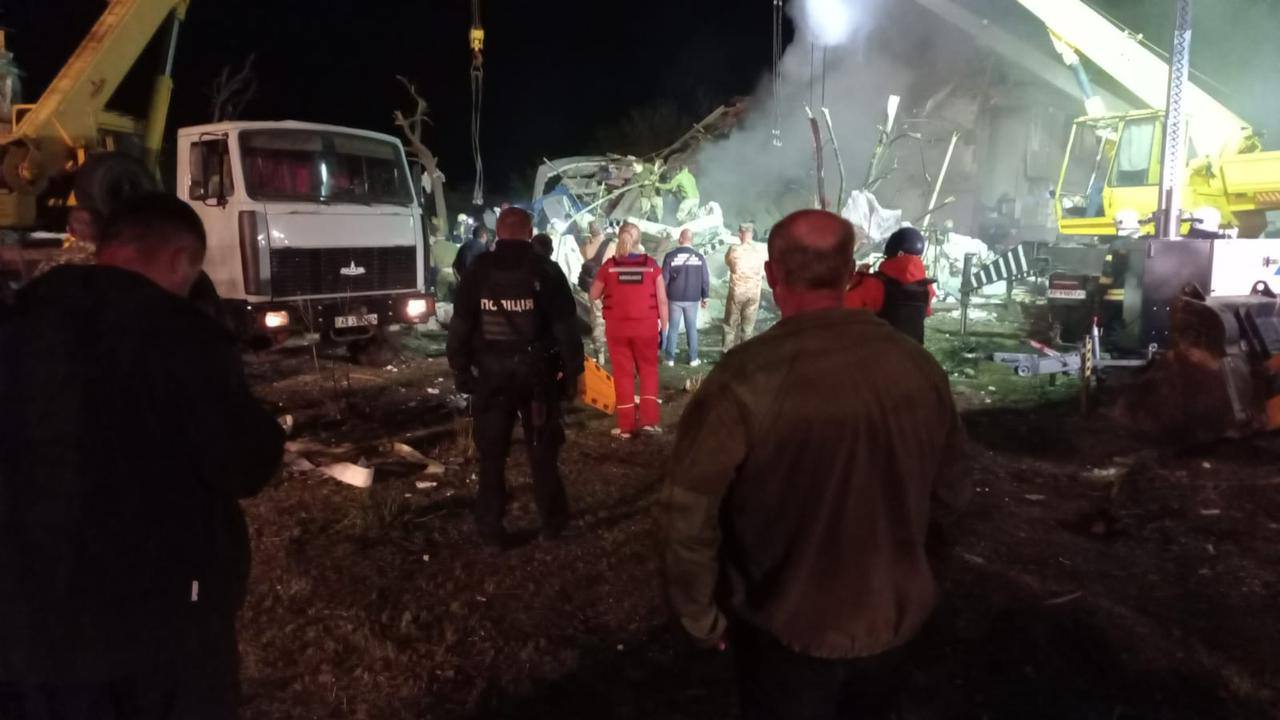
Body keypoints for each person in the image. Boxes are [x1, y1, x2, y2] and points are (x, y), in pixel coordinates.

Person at [659, 209, 968, 720]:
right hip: (892, 623)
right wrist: (923, 580)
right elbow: (952, 494)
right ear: (850, 273)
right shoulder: (918, 367)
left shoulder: (745, 377)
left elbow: (687, 513)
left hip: (785, 629)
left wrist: (699, 618)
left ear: (772, 275)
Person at [0, 193, 286, 719]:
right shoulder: (178, 336)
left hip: (27, 629)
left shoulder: (20, 322)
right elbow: (245, 462)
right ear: (180, 260)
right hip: (154, 626)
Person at [447, 208, 583, 549]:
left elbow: (460, 326)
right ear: (530, 232)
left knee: (492, 457)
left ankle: (491, 531)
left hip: (492, 378)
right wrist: (572, 374)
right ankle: (552, 525)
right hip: (537, 378)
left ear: (498, 231)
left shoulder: (479, 270)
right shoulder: (546, 270)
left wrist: (461, 369)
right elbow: (567, 329)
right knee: (543, 454)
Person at [589, 222, 669, 438]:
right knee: (648, 371)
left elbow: (593, 294)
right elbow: (662, 301)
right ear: (639, 241)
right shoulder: (651, 266)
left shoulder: (609, 267)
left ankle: (626, 427)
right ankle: (648, 422)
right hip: (646, 328)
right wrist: (665, 329)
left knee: (623, 375)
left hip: (617, 329)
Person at [844, 226, 937, 344]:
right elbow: (925, 313)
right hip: (913, 353)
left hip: (880, 352)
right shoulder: (927, 288)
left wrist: (859, 276)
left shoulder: (874, 284)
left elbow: (845, 307)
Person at [661, 229, 710, 367]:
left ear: (681, 239)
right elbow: (705, 279)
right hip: (692, 298)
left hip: (674, 298)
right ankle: (693, 359)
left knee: (673, 328)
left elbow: (664, 280)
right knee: (691, 328)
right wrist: (705, 296)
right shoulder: (699, 258)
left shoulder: (670, 256)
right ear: (692, 240)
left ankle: (669, 359)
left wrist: (663, 297)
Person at [723, 222, 767, 350]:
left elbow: (728, 263)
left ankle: (728, 355)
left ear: (740, 234)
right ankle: (746, 355)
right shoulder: (762, 249)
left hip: (737, 293)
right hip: (753, 294)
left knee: (730, 326)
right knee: (748, 329)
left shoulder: (734, 250)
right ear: (752, 233)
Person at [577, 222, 615, 363]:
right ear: (602, 230)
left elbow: (584, 255)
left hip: (594, 287)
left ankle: (600, 351)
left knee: (598, 317)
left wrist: (588, 241)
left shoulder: (587, 246)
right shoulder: (612, 245)